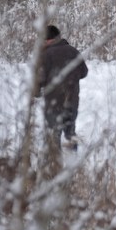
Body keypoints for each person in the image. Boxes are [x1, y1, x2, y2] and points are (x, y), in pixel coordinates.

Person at [35, 24, 88, 152]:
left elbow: (39, 79)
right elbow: (84, 72)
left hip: (53, 103)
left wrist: (36, 92)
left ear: (48, 40)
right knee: (70, 132)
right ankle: (72, 161)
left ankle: (55, 164)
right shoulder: (73, 51)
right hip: (71, 101)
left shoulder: (46, 55)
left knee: (55, 134)